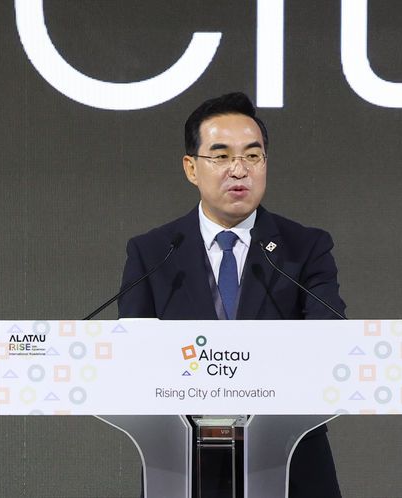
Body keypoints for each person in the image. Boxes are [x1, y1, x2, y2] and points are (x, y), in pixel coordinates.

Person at [119, 92, 345, 498]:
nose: (239, 170)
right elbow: (133, 355)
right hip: (185, 460)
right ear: (191, 168)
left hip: (290, 459)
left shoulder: (305, 247)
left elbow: (330, 336)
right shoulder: (153, 252)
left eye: (252, 156)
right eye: (221, 156)